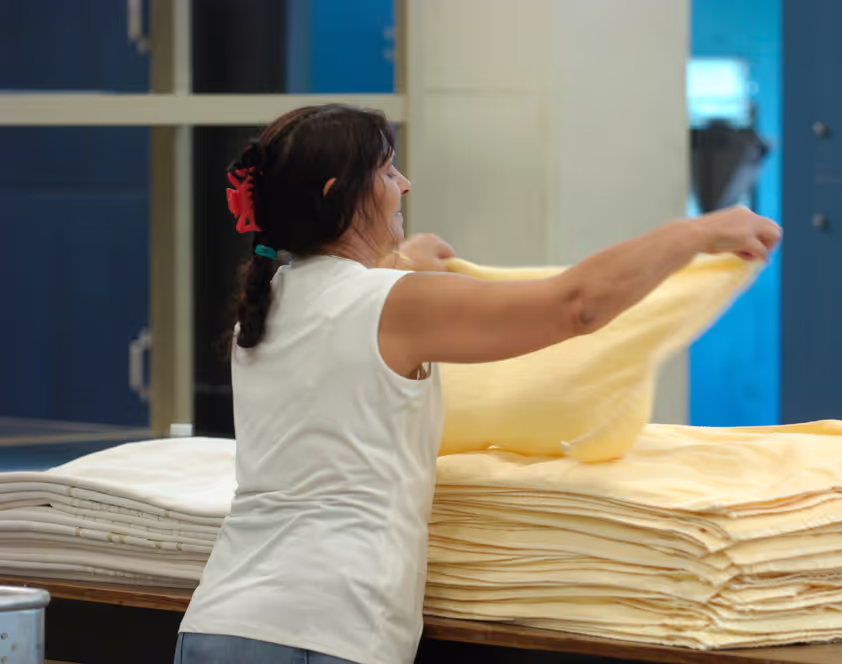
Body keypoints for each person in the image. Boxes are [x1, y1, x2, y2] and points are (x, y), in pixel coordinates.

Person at [175, 104, 781, 664]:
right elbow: (577, 306)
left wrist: (401, 261)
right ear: (339, 195)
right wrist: (699, 233)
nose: (404, 184)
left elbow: (352, 319)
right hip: (323, 633)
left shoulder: (265, 305)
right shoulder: (392, 305)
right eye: (387, 171)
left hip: (219, 621)